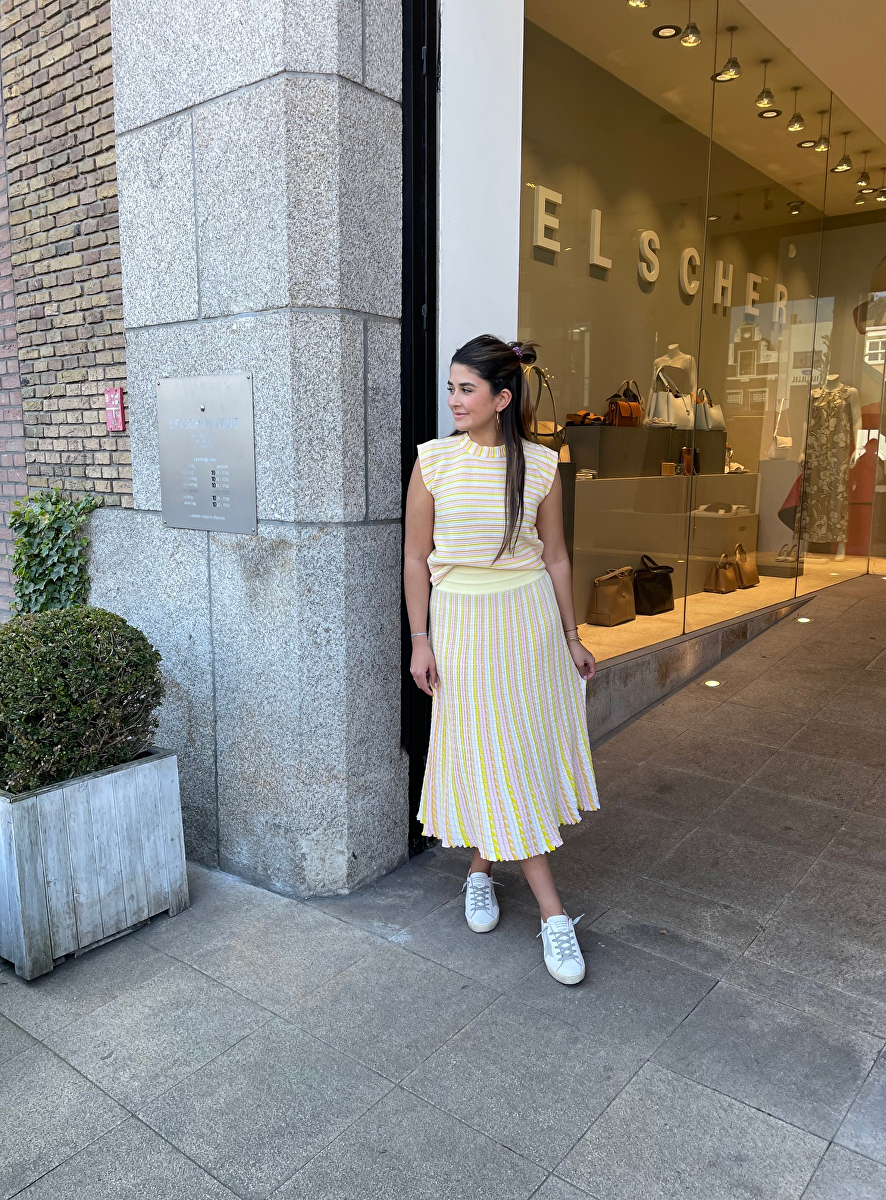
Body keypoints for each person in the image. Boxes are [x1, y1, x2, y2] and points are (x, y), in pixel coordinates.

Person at [403, 334, 599, 986]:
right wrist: (420, 639)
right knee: (491, 752)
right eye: (452, 387)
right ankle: (552, 912)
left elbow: (556, 557)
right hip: (462, 626)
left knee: (514, 753)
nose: (454, 400)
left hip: (527, 625)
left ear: (502, 398)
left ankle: (483, 872)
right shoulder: (433, 461)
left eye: (467, 389)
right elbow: (414, 559)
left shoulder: (540, 465)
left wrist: (571, 636)